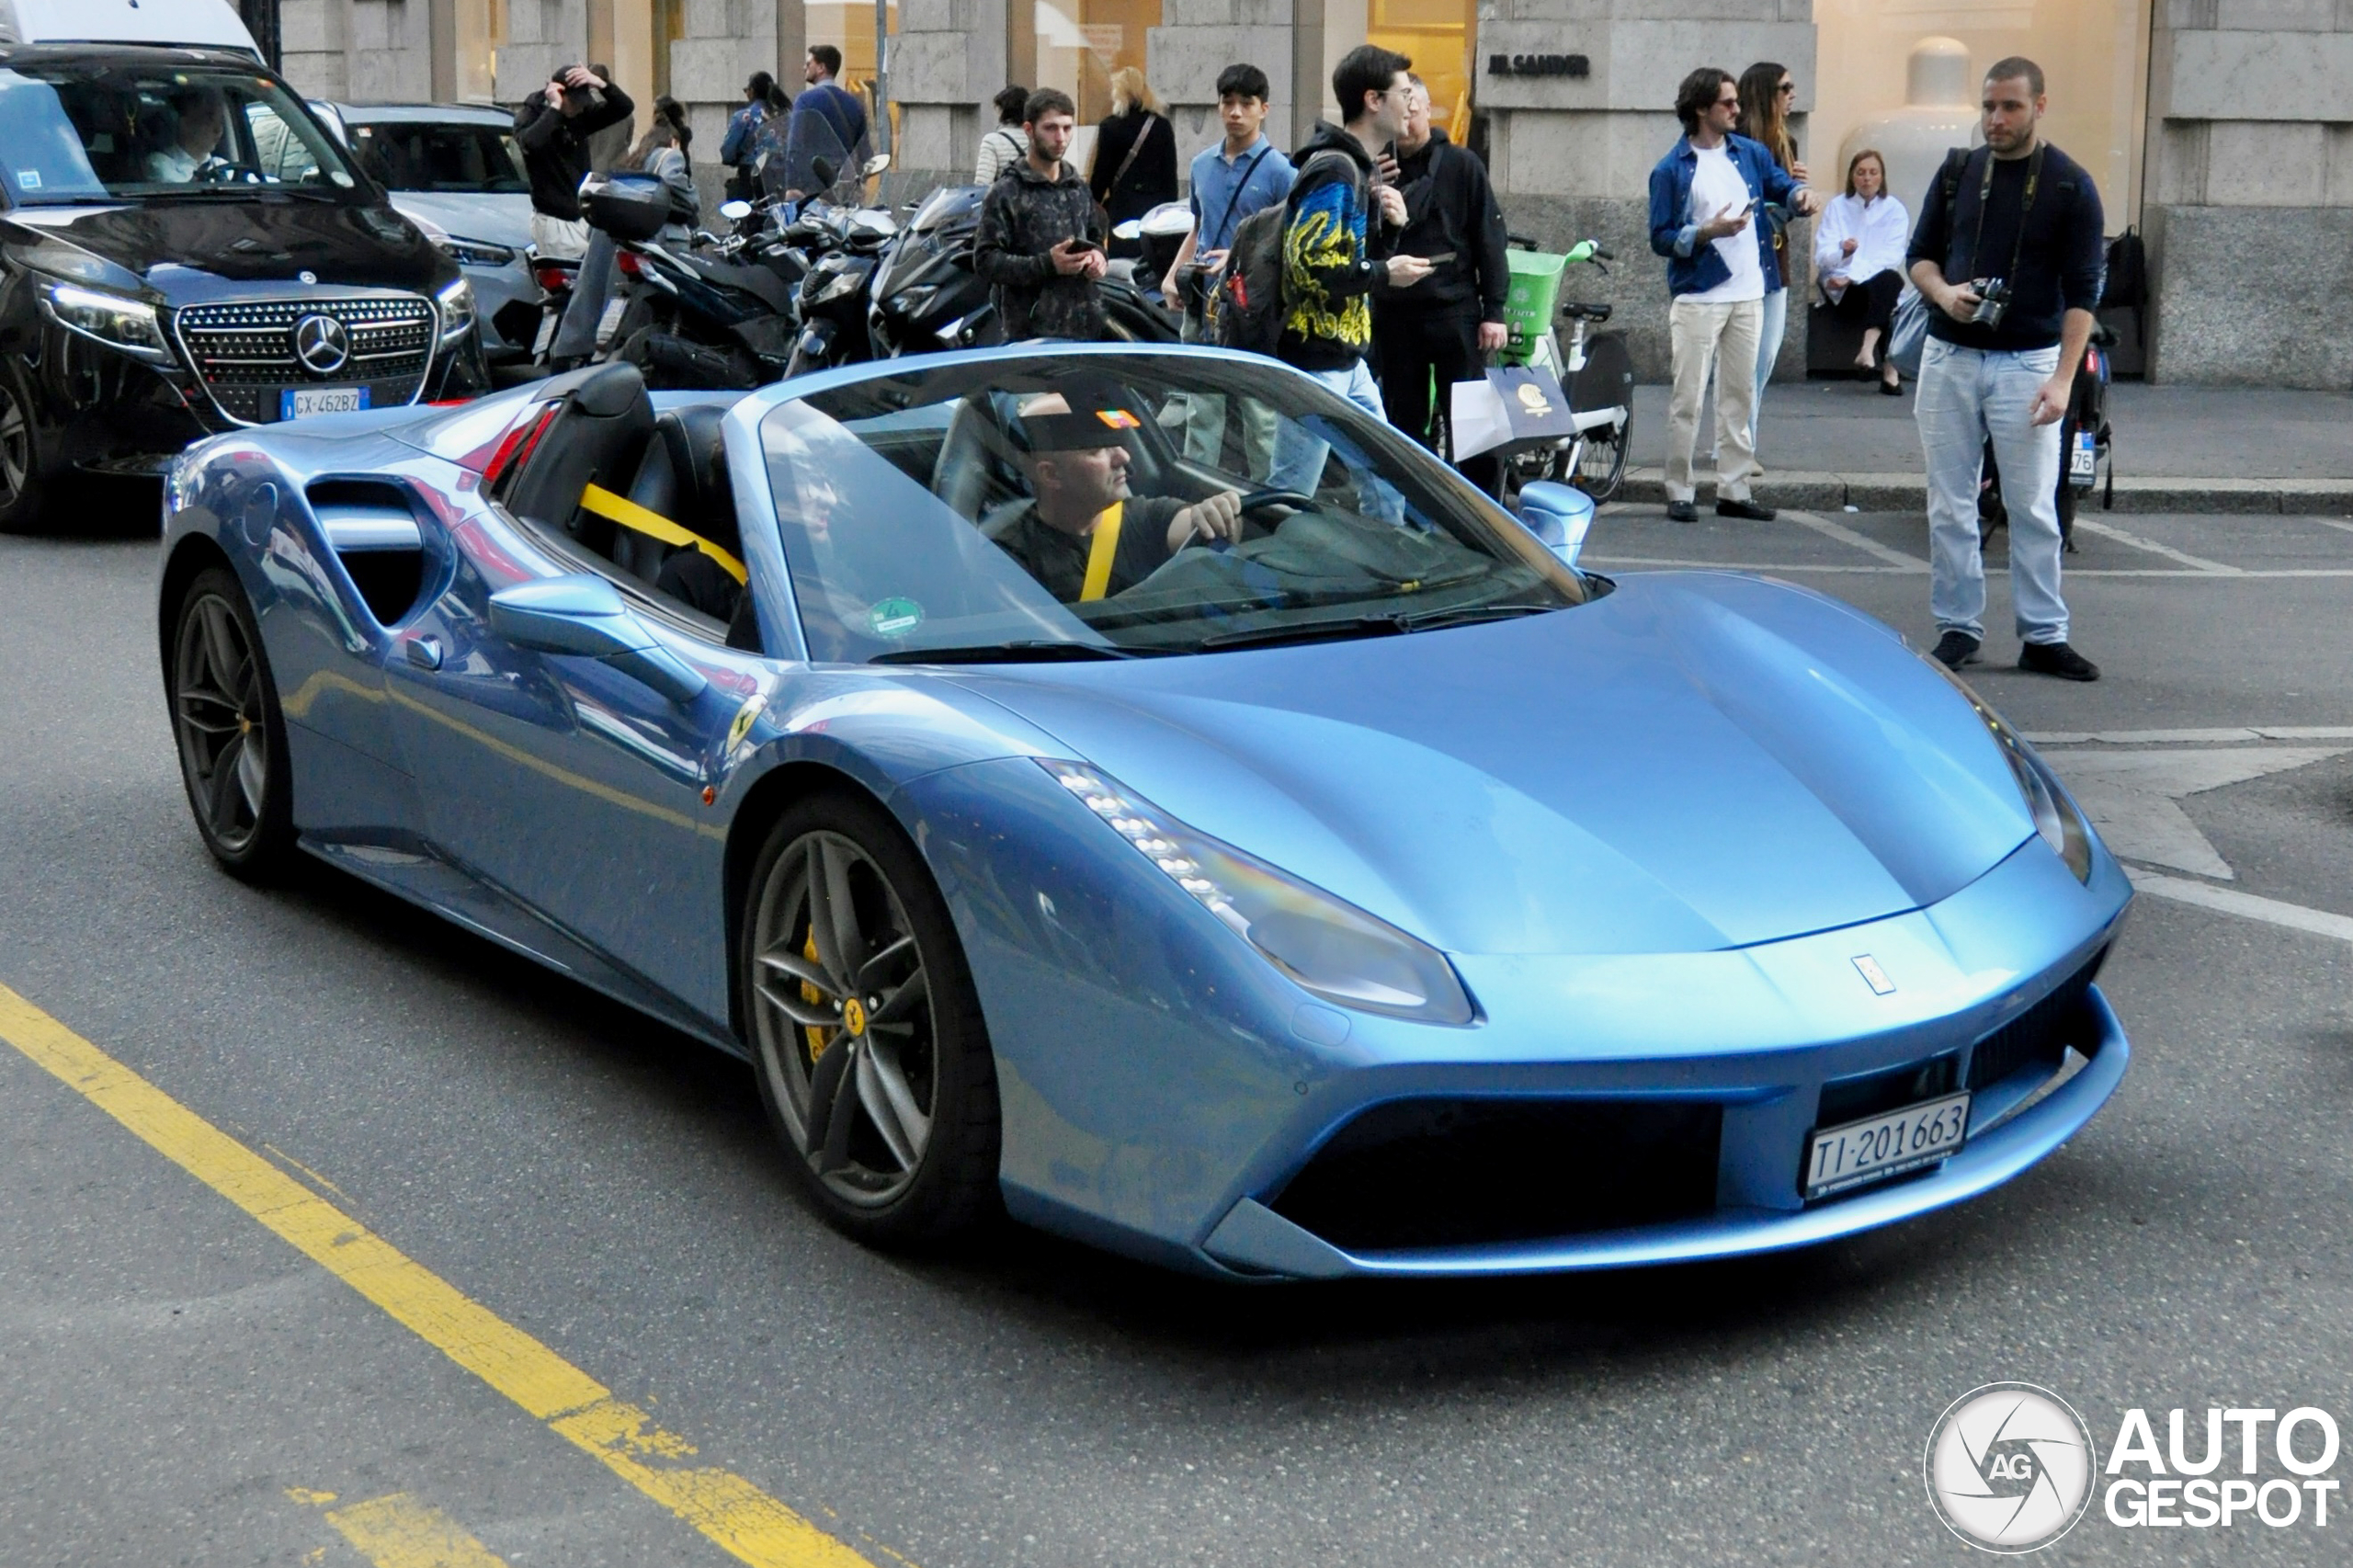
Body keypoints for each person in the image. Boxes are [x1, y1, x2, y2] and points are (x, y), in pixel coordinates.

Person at [1907, 57, 2105, 681]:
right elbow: (1919, 258)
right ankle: (1958, 628)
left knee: (2033, 506)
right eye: (1989, 106)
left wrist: (2063, 380)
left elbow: (2082, 294)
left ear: (2039, 106)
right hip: (1949, 354)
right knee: (1949, 503)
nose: (1996, 118)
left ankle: (2044, 634)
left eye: (2011, 107)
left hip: (2029, 361)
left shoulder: (2071, 186)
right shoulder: (1958, 171)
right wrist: (1943, 294)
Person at [1647, 65, 1814, 523]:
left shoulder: (1751, 154)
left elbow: (1782, 187)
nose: (1737, 109)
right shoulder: (1672, 169)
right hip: (1700, 295)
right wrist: (1706, 232)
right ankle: (1680, 490)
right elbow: (1660, 236)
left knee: (1739, 395)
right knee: (1688, 398)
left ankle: (1734, 490)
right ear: (1702, 109)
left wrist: (1800, 196)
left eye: (1737, 101)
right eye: (1727, 103)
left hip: (1749, 291)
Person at [1370, 74, 1508, 494]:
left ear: (1429, 111)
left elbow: (1490, 238)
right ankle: (1416, 506)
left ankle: (1484, 507)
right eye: (1402, 110)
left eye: (1416, 109)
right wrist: (1369, 187)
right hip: (1395, 312)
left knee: (1471, 424)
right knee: (1403, 421)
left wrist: (1494, 312)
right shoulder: (1373, 168)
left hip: (1455, 310)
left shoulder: (1462, 165)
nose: (1408, 118)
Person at [988, 393, 1245, 602]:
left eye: (1118, 444)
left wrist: (1218, 514)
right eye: (1097, 449)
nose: (1123, 458)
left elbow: (1195, 526)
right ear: (1051, 474)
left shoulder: (1146, 515)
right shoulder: (1009, 559)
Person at [973, 89, 1108, 341]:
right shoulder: (1006, 192)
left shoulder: (1077, 186)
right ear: (1029, 129)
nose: (1061, 138)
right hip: (1031, 334)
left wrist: (1098, 258)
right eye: (1051, 128)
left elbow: (1095, 237)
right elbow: (985, 261)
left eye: (1067, 128)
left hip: (1084, 328)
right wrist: (1047, 264)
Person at [1736, 62, 1806, 461]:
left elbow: (1787, 204)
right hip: (1740, 260)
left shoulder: (1787, 142)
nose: (1792, 93)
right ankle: (1739, 445)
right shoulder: (1739, 142)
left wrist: (1799, 193)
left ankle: (1744, 440)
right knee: (1742, 359)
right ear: (1766, 92)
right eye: (1785, 87)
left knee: (1764, 357)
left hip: (1775, 257)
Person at [515, 64, 636, 261]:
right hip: (556, 218)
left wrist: (601, 84)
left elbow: (624, 108)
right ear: (559, 95)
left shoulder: (578, 117)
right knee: (568, 281)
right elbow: (531, 144)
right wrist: (554, 109)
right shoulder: (530, 117)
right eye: (576, 102)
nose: (581, 107)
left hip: (582, 215)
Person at [1813, 149, 1908, 392]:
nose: (1867, 178)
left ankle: (1867, 351)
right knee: (1889, 293)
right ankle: (1890, 370)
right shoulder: (1837, 207)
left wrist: (1853, 276)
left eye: (1873, 173)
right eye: (1861, 173)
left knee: (1889, 280)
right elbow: (1822, 255)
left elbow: (1891, 256)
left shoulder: (1895, 210)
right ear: (1852, 177)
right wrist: (1843, 255)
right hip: (1843, 292)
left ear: (1881, 177)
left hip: (1874, 284)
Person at [1087, 67, 1176, 259]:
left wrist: (1092, 202)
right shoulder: (1161, 125)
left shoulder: (1110, 126)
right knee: (1152, 262)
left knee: (1122, 262)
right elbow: (1170, 175)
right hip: (1155, 210)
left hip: (1123, 209)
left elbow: (1101, 174)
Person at [781, 44, 870, 202]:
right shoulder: (855, 104)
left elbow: (795, 147)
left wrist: (791, 186)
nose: (804, 68)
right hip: (845, 189)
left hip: (813, 187)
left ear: (821, 67)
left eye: (809, 64)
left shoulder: (805, 101)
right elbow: (865, 153)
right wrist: (858, 183)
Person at [720, 72, 783, 199]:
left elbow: (727, 151)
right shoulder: (781, 115)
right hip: (778, 177)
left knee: (747, 214)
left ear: (752, 91)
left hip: (750, 176)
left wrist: (734, 158)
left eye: (746, 90)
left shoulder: (744, 117)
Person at [146, 87, 228, 183]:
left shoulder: (223, 167)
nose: (219, 130)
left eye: (221, 121)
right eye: (209, 120)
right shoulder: (159, 164)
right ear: (184, 123)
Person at [975, 85, 1030, 184]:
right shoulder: (1038, 137)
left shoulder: (991, 141)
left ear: (1003, 110)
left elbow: (983, 183)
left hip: (1005, 197)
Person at [585, 65, 633, 175]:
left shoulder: (585, 106)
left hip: (593, 168)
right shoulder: (624, 108)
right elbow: (629, 140)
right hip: (620, 168)